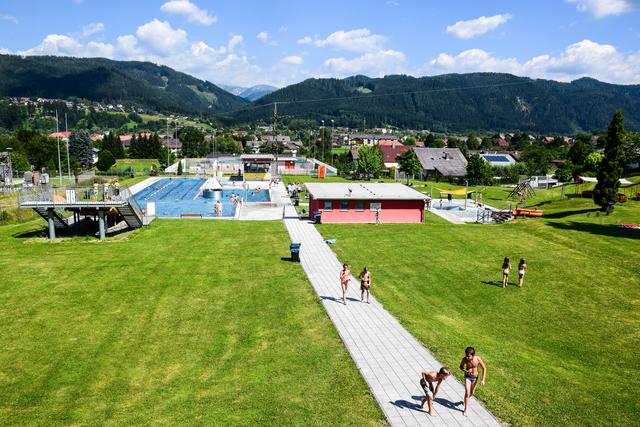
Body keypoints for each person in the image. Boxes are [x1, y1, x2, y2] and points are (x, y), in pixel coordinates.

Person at [459, 346, 487, 417]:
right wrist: (465, 371)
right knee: (467, 393)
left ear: (473, 355)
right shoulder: (464, 359)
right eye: (466, 355)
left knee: (472, 393)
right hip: (467, 377)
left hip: (475, 378)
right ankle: (465, 409)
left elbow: (484, 368)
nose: (467, 357)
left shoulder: (477, 359)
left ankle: (465, 400)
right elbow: (461, 367)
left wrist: (483, 379)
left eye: (468, 356)